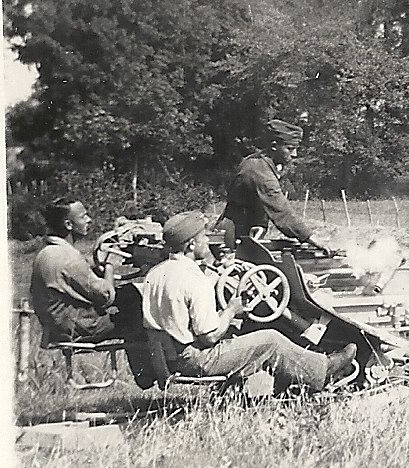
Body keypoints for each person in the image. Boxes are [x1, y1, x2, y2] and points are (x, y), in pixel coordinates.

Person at [142, 211, 356, 394]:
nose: (207, 241)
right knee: (270, 339)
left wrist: (219, 277)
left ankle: (282, 384)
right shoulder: (194, 279)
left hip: (166, 356)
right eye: (203, 237)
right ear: (191, 244)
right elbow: (209, 336)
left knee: (243, 336)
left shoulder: (157, 272)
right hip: (196, 359)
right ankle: (323, 371)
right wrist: (231, 309)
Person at [29, 198, 152, 383]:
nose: (89, 220)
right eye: (83, 216)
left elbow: (79, 283)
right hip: (78, 329)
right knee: (137, 313)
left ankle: (148, 375)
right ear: (68, 224)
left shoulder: (47, 252)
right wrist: (110, 265)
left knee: (129, 294)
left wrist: (97, 271)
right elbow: (106, 296)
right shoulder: (67, 257)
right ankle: (149, 375)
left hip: (59, 325)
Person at [217, 118, 331, 252]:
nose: (294, 154)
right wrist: (311, 238)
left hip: (246, 232)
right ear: (274, 146)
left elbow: (258, 200)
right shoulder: (259, 171)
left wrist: (261, 223)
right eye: (290, 149)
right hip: (232, 236)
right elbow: (281, 211)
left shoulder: (260, 162)